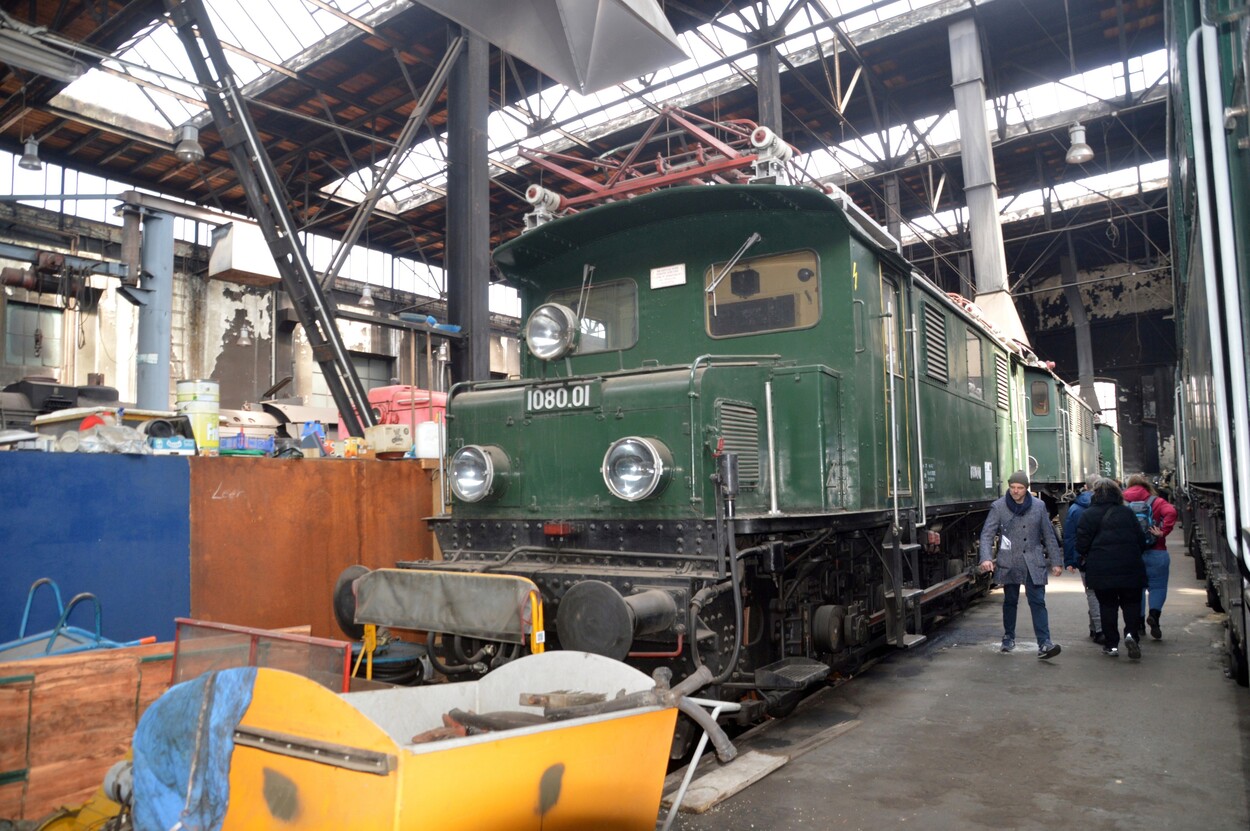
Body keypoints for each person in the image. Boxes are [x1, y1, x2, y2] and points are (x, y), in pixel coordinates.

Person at [979, 470, 1064, 659]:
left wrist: (1056, 562)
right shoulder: (999, 507)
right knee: (1010, 601)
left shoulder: (1039, 506)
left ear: (1026, 489)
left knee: (1038, 601)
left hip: (1033, 561)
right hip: (1009, 561)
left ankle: (1045, 643)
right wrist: (985, 557)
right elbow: (986, 534)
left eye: (1020, 488)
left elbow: (1048, 535)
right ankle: (1008, 637)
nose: (1016, 491)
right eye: (1012, 488)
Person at [1075, 477, 1149, 659]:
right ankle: (1131, 635)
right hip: (1130, 567)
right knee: (1131, 604)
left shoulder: (1088, 514)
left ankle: (1112, 645)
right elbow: (1141, 539)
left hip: (1101, 570)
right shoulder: (1127, 512)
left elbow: (1081, 546)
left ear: (1095, 494)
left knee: (1107, 607)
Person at [1122, 473, 1178, 640]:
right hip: (1157, 550)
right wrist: (1163, 531)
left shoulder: (1122, 502)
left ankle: (1138, 624)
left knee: (1136, 589)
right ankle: (1154, 615)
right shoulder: (1157, 501)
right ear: (1146, 486)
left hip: (1133, 553)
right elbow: (1172, 512)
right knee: (1158, 587)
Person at [1063, 473, 1104, 643]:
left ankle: (1096, 628)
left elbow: (1070, 536)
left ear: (1085, 487)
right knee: (1102, 593)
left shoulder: (1075, 508)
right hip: (1106, 556)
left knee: (1092, 592)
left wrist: (1070, 561)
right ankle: (1098, 628)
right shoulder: (1108, 506)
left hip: (1084, 557)